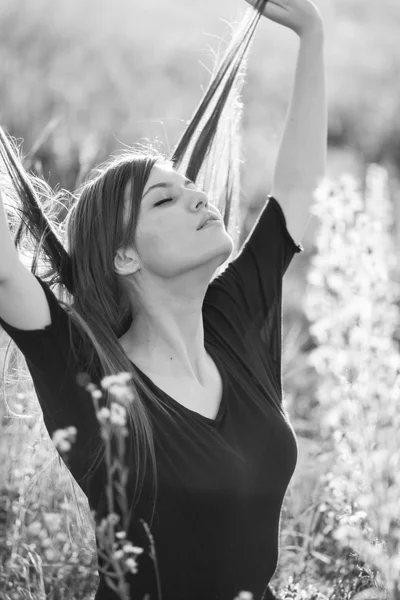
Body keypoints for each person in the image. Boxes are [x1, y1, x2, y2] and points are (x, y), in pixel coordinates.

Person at [0, 0, 326, 598]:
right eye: (164, 201)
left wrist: (311, 31)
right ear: (125, 256)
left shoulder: (232, 318)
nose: (201, 199)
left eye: (190, 188)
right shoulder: (87, 369)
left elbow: (297, 185)